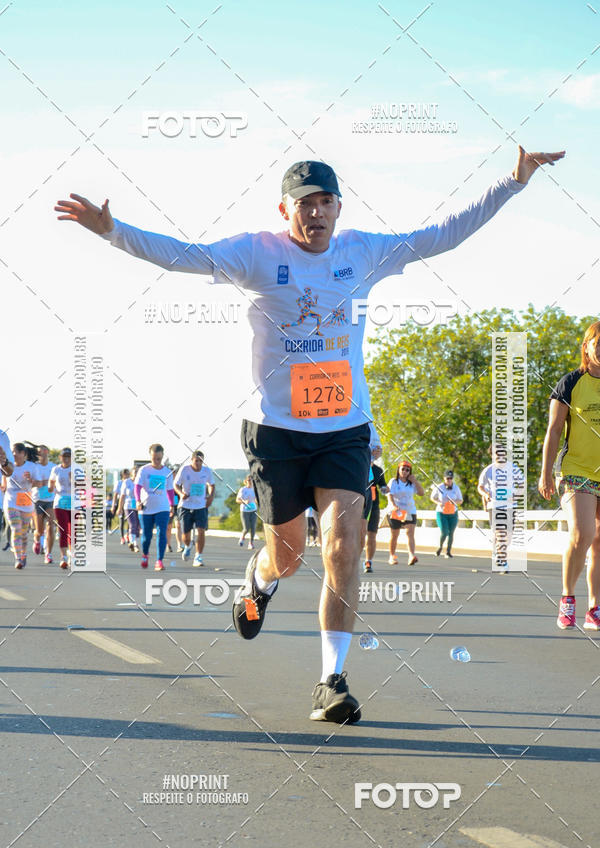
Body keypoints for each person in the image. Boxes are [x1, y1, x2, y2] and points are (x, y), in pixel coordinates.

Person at [56, 147, 564, 723]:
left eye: (325, 202)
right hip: (275, 431)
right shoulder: (256, 252)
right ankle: (259, 579)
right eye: (304, 204)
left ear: (339, 207)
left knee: (345, 547)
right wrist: (112, 230)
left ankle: (332, 681)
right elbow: (182, 255)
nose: (316, 213)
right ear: (285, 209)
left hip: (344, 429)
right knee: (290, 556)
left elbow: (445, 233)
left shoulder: (363, 251)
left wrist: (513, 181)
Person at [539, 321, 600, 630]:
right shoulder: (571, 382)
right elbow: (554, 430)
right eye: (598, 342)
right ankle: (567, 599)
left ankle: (595, 608)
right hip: (577, 470)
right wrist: (546, 473)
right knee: (583, 533)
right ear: (587, 346)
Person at [477, 445, 524, 571]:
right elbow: (480, 487)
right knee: (501, 534)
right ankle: (503, 561)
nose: (499, 455)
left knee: (508, 535)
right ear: (492, 455)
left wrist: (516, 495)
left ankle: (498, 553)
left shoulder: (513, 468)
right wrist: (485, 494)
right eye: (496, 453)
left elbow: (522, 485)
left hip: (510, 506)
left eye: (501, 453)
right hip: (495, 506)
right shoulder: (488, 470)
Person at [135, 444, 174, 570]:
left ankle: (159, 560)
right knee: (146, 536)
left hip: (162, 507)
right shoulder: (144, 470)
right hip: (146, 508)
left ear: (162, 455)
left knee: (162, 533)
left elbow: (170, 490)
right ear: (150, 456)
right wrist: (138, 501)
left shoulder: (167, 472)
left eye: (158, 457)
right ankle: (145, 554)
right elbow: (137, 487)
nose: (156, 460)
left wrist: (172, 505)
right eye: (154, 458)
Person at [175, 452, 215, 566]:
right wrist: (181, 493)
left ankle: (198, 556)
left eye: (200, 461)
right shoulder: (184, 470)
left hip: (200, 505)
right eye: (196, 461)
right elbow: (176, 484)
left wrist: (210, 496)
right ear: (191, 460)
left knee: (201, 531)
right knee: (185, 535)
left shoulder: (207, 471)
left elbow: (212, 484)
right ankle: (187, 546)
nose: (198, 463)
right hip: (185, 505)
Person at [3, 443, 39, 568]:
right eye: (12, 451)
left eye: (17, 452)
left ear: (24, 454)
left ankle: (23, 554)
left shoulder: (32, 467)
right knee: (16, 529)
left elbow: (38, 484)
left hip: (26, 503)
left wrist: (31, 481)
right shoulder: (6, 465)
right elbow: (4, 484)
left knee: (23, 533)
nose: (14, 454)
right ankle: (18, 558)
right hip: (11, 502)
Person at [386, 461, 424, 566]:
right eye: (403, 469)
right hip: (396, 511)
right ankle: (392, 556)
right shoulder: (394, 481)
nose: (405, 471)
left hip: (409, 511)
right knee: (395, 535)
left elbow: (421, 493)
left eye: (407, 470)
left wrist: (415, 481)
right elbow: (390, 494)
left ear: (410, 472)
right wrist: (393, 505)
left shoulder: (412, 483)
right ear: (398, 470)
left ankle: (411, 556)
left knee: (410, 533)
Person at [362, 440, 388, 573]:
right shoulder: (359, 465)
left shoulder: (378, 470)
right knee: (358, 534)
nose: (378, 451)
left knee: (371, 534)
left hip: (373, 505)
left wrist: (385, 489)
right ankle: (351, 560)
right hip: (357, 505)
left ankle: (368, 561)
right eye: (375, 449)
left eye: (379, 450)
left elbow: (382, 486)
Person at [431, 470, 463, 558]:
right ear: (444, 478)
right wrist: (439, 502)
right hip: (442, 512)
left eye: (451, 478)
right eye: (447, 478)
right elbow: (433, 497)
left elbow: (460, 500)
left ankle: (448, 551)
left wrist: (454, 502)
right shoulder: (439, 487)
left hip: (452, 512)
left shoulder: (456, 488)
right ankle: (440, 547)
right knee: (444, 531)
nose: (449, 480)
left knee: (451, 532)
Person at [49, 448, 72, 569]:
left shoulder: (76, 470)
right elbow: (50, 486)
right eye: (64, 456)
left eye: (68, 456)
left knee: (73, 531)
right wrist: (50, 486)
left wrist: (73, 479)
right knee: (63, 530)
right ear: (60, 457)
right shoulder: (56, 469)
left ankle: (72, 555)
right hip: (60, 502)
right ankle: (63, 557)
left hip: (74, 502)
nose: (66, 459)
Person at [32, 444, 55, 563]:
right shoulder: (34, 466)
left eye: (45, 450)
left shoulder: (54, 467)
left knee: (51, 526)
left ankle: (48, 554)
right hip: (37, 500)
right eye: (40, 452)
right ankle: (37, 540)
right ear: (37, 454)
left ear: (48, 452)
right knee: (39, 530)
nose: (43, 453)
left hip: (51, 500)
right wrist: (39, 483)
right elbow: (29, 483)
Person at [118, 466, 140, 552]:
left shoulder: (140, 482)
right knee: (132, 524)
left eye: (138, 473)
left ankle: (133, 541)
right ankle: (134, 543)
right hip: (128, 506)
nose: (136, 474)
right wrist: (119, 508)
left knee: (138, 525)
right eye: (135, 473)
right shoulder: (127, 482)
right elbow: (122, 496)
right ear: (131, 474)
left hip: (138, 506)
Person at [236, 475, 258, 549]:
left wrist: (257, 501)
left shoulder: (255, 490)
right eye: (249, 480)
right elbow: (237, 500)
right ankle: (242, 537)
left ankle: (251, 543)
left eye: (251, 480)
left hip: (253, 510)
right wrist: (244, 501)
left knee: (253, 527)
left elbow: (256, 500)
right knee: (246, 528)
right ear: (245, 481)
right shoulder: (243, 490)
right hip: (244, 511)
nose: (250, 481)